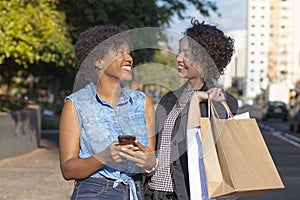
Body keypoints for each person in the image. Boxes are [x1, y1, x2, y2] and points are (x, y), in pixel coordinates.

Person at [59, 25, 157, 200]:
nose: (129, 58)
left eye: (129, 53)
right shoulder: (76, 104)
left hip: (135, 191)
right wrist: (104, 157)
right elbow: (68, 169)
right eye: (120, 53)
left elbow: (150, 164)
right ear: (98, 61)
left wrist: (149, 163)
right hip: (94, 192)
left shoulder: (143, 102)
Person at [144, 19, 238, 200]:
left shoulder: (219, 102)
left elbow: (201, 150)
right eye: (180, 52)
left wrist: (202, 101)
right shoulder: (169, 99)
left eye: (186, 54)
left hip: (185, 194)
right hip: (152, 193)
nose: (179, 58)